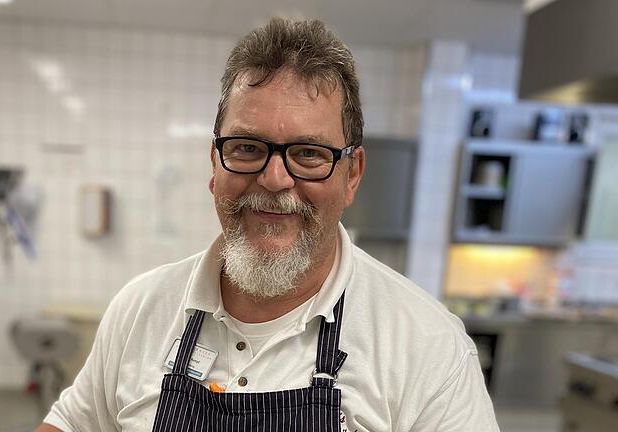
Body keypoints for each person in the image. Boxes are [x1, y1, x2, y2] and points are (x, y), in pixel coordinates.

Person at [36, 17, 499, 432]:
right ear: (215, 163)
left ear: (352, 174)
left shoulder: (428, 346)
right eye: (247, 147)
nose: (275, 179)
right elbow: (74, 421)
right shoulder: (140, 309)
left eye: (309, 154)